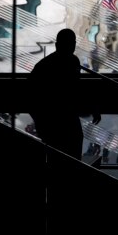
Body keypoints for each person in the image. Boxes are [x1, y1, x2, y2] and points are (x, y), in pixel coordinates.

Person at [29, 28, 101, 160]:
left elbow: (32, 95)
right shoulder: (72, 62)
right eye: (71, 43)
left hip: (53, 121)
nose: (72, 47)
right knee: (72, 153)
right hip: (65, 118)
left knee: (57, 159)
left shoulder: (45, 65)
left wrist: (41, 124)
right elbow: (76, 90)